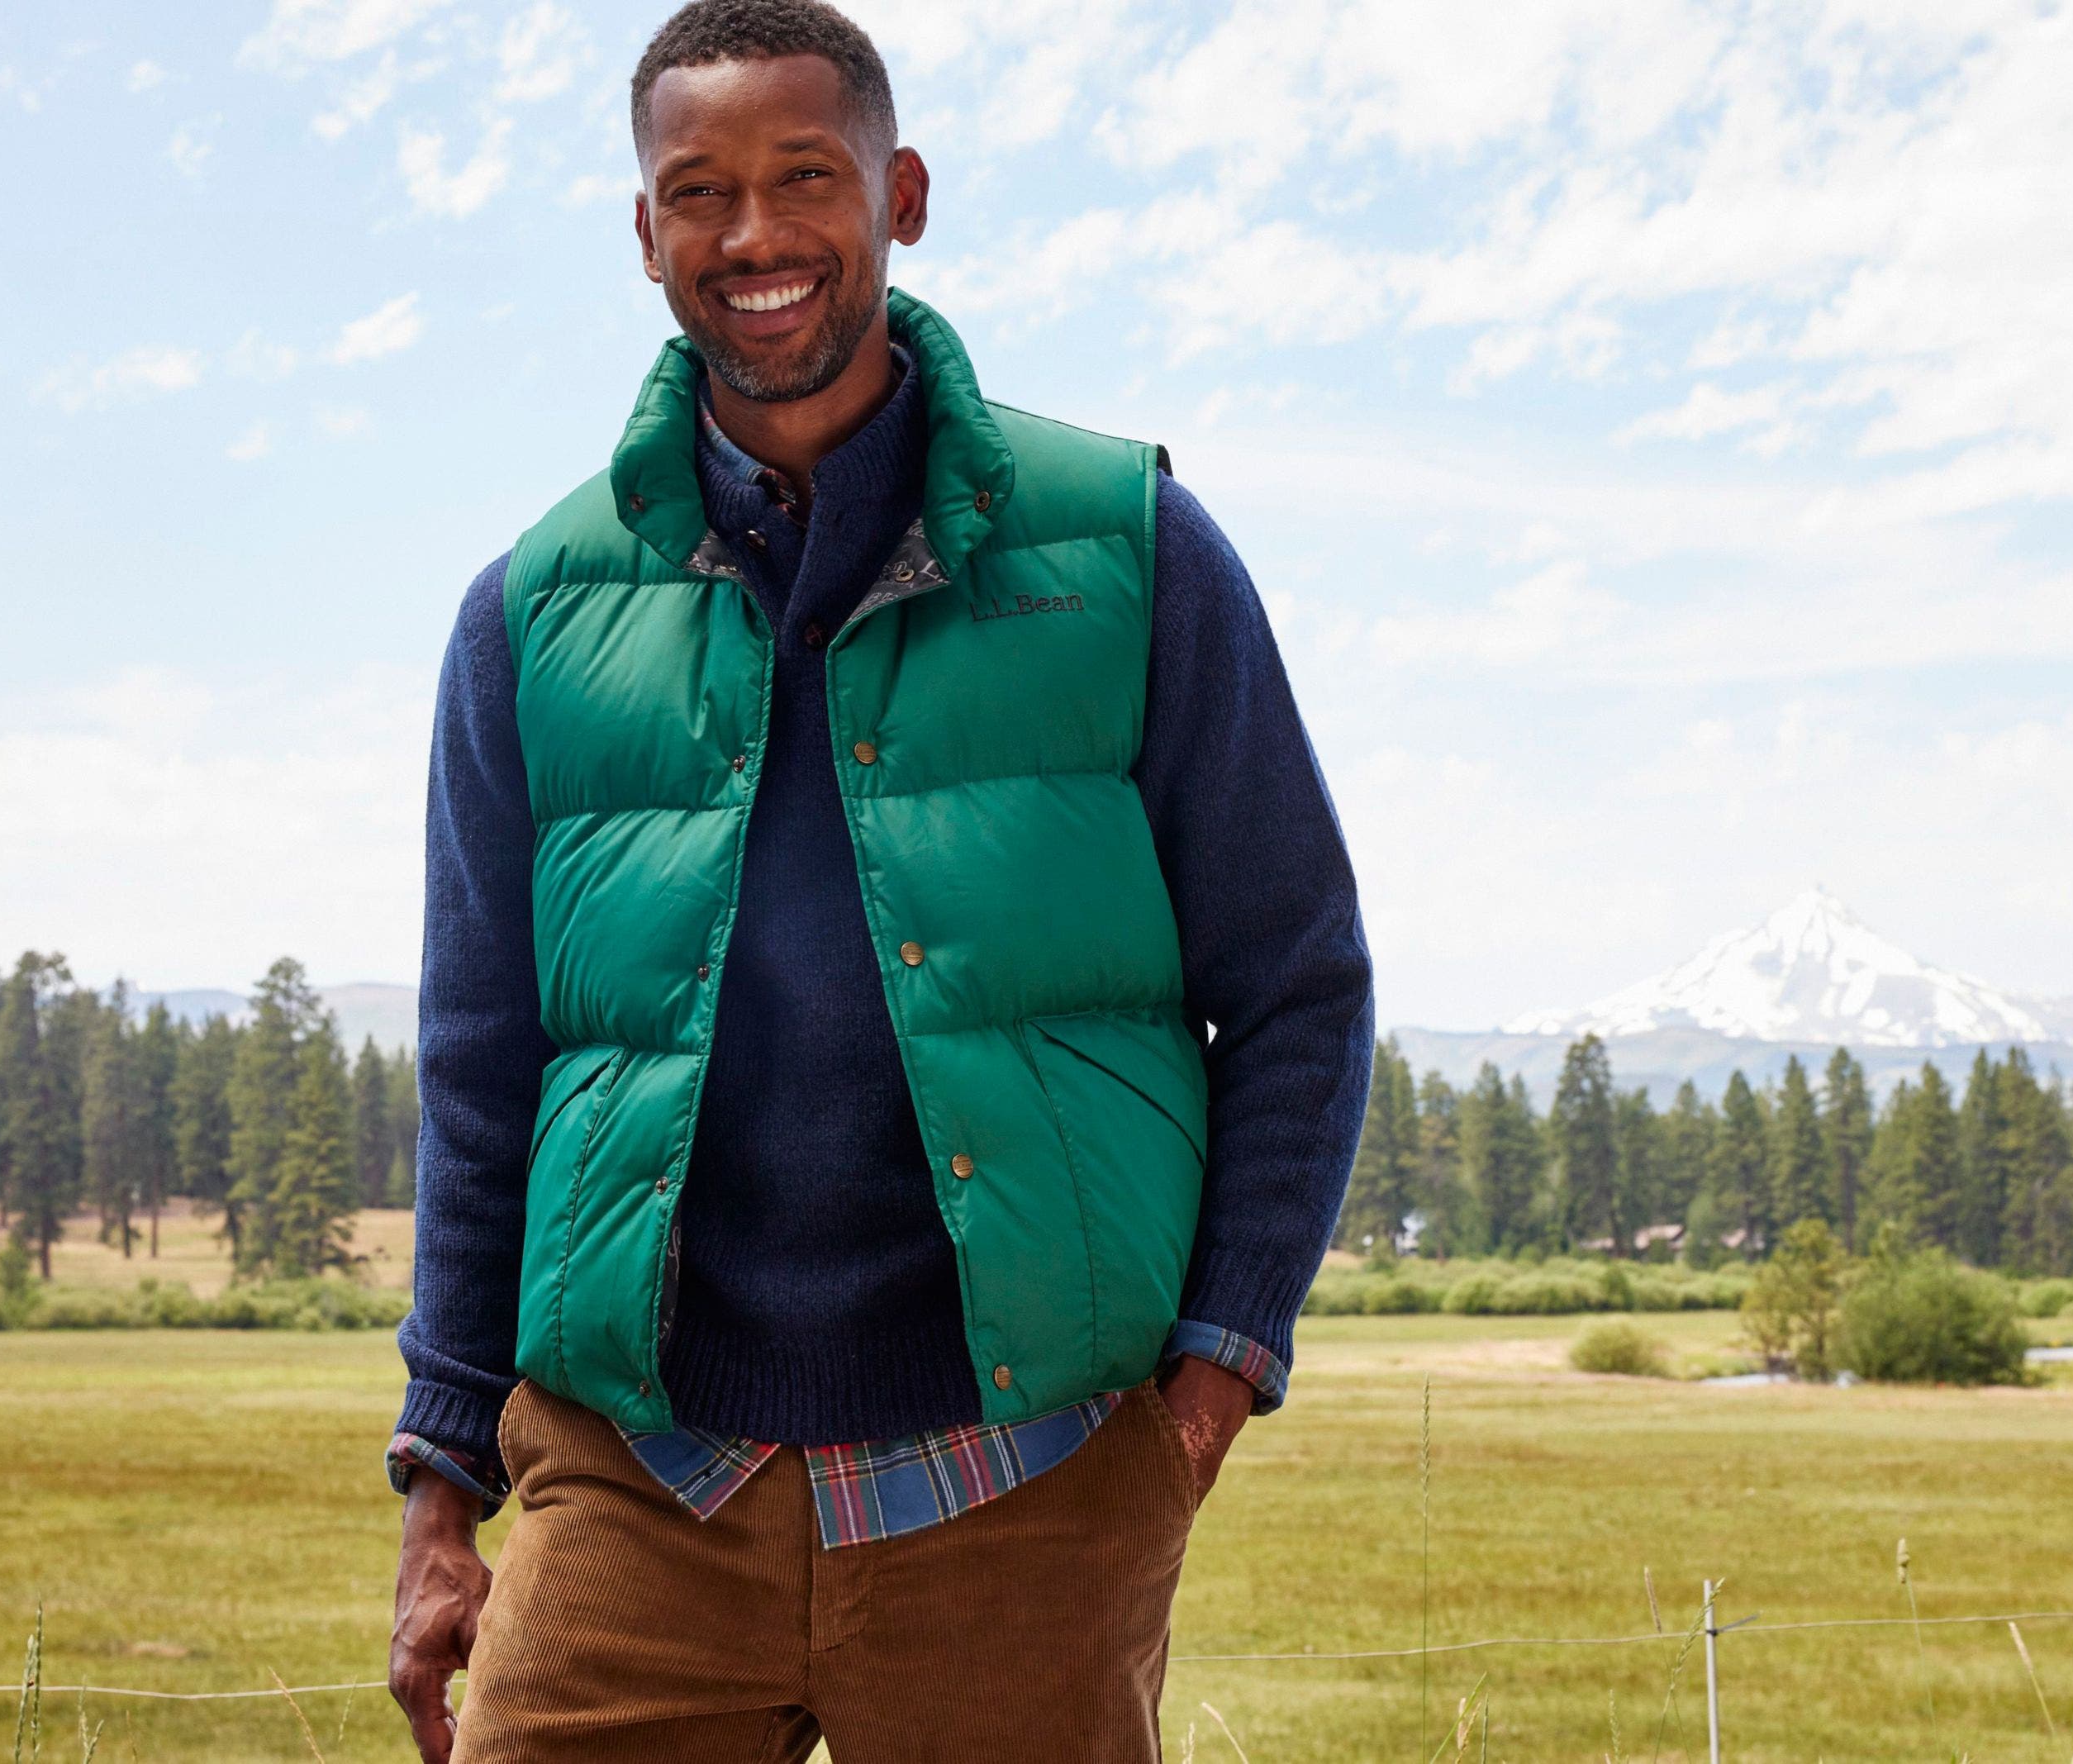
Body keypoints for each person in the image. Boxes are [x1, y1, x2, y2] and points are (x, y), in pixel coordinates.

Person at [385, 2, 1372, 1757]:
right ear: (643, 236)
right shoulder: (527, 611)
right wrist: (440, 1481)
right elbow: (484, 1069)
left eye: (801, 178)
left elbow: (1297, 981)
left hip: (1032, 1483)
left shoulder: (1132, 549)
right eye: (697, 191)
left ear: (899, 194)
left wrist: (1213, 1374)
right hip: (635, 1481)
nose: (751, 235)